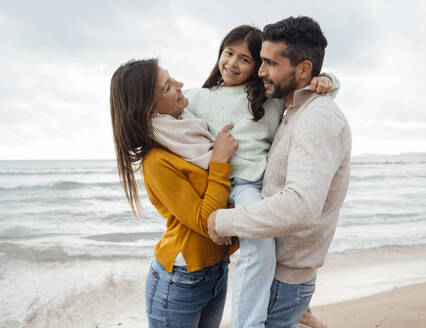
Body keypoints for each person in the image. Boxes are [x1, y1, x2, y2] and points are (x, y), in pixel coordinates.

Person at [182, 25, 339, 328]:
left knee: (267, 249)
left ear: (257, 68)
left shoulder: (268, 97)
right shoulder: (199, 97)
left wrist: (327, 79)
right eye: (228, 53)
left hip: (259, 185)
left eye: (245, 59)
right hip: (234, 183)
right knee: (261, 248)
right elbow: (166, 110)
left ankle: (272, 315)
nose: (232, 63)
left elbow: (311, 87)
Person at [110, 59, 240, 328]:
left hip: (217, 268)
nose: (180, 85)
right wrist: (219, 163)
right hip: (180, 280)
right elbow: (208, 221)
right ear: (150, 109)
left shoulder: (193, 128)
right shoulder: (157, 161)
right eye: (168, 86)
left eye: (173, 79)